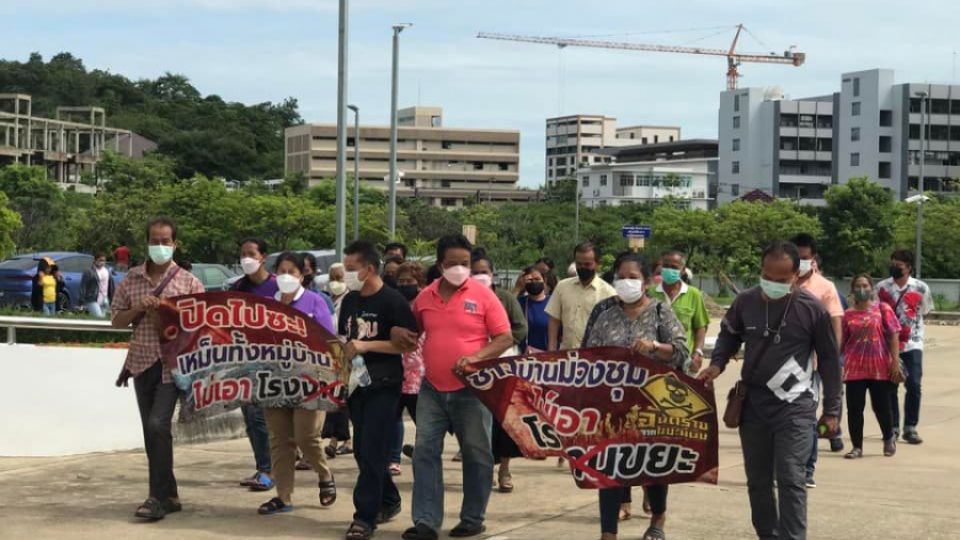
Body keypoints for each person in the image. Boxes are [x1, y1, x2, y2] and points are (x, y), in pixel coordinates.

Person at [700, 240, 841, 540]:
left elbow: (829, 361)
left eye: (781, 280)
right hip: (754, 406)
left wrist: (832, 411)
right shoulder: (746, 302)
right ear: (761, 270)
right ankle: (768, 535)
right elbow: (728, 335)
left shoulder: (811, 309)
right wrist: (718, 363)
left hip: (795, 407)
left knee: (791, 478)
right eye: (768, 276)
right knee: (758, 482)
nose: (773, 284)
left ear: (795, 277)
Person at [393, 234, 513, 540]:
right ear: (439, 265)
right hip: (431, 387)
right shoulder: (425, 297)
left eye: (465, 263)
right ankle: (426, 522)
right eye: (452, 264)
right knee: (425, 453)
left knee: (477, 453)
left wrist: (476, 356)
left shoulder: (484, 296)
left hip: (472, 389)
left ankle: (473, 518)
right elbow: (413, 331)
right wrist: (399, 333)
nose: (459, 269)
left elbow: (504, 337)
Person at [580, 252, 688, 540]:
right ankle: (608, 532)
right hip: (611, 405)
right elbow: (587, 354)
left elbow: (681, 351)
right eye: (621, 277)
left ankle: (658, 519)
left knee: (651, 467)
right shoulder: (604, 313)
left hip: (652, 405)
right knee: (609, 466)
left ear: (645, 281)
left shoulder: (660, 311)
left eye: (633, 277)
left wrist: (655, 346)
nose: (627, 282)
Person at [111, 217, 205, 520]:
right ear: (147, 242)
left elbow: (199, 327)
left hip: (173, 367)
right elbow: (116, 320)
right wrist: (139, 309)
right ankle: (170, 494)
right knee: (152, 432)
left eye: (166, 241)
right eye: (155, 240)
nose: (160, 246)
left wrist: (163, 315)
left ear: (175, 244)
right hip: (141, 362)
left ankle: (156, 498)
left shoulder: (189, 282)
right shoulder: (132, 280)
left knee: (157, 425)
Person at [339, 241, 419, 540]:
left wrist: (368, 345)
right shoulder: (350, 301)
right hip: (357, 385)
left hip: (384, 384)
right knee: (362, 450)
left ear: (368, 269)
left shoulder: (392, 301)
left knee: (372, 449)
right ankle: (388, 499)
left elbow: (408, 343)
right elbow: (345, 340)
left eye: (350, 269)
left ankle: (364, 517)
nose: (346, 275)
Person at [254, 251, 338, 515]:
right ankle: (283, 496)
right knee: (279, 440)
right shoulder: (266, 305)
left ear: (304, 275)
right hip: (274, 380)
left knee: (306, 436)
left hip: (310, 380)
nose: (287, 276)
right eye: (282, 271)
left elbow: (329, 341)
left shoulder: (315, 302)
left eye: (293, 271)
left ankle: (324, 475)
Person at [471, 249, 528, 494]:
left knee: (504, 420)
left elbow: (520, 327)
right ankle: (484, 470)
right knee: (478, 423)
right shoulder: (463, 299)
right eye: (475, 273)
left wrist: (499, 343)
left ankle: (504, 469)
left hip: (503, 365)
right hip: (474, 367)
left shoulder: (505, 298)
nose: (479, 277)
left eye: (484, 272)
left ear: (492, 275)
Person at [791, 233, 845, 487]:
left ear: (813, 259)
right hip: (780, 366)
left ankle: (808, 469)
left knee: (808, 417)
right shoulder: (779, 283)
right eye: (796, 258)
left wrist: (831, 359)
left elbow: (836, 321)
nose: (800, 263)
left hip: (811, 365)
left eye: (805, 258)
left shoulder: (825, 287)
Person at [232, 237, 278, 492]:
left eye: (251, 253)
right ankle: (265, 466)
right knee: (250, 416)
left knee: (261, 416)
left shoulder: (277, 286)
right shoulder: (239, 287)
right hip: (246, 360)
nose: (246, 258)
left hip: (275, 362)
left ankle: (268, 469)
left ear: (263, 256)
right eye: (243, 254)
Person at [841, 274, 904, 459]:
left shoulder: (883, 309)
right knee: (854, 409)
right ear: (853, 290)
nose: (862, 289)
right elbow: (842, 342)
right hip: (854, 368)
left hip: (879, 367)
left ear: (871, 288)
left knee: (882, 406)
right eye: (858, 286)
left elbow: (894, 335)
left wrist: (894, 361)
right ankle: (857, 447)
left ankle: (888, 437)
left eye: (865, 285)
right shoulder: (848, 315)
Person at [877, 249, 934, 445]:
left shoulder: (921, 288)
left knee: (914, 385)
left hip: (913, 343)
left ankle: (910, 427)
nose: (894, 267)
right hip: (888, 344)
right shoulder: (881, 287)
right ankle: (892, 427)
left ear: (908, 268)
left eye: (899, 265)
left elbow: (924, 311)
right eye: (892, 263)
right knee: (890, 386)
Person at [389, 261, 427, 475]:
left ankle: (423, 453)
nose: (405, 285)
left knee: (422, 419)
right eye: (401, 281)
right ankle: (394, 459)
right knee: (394, 417)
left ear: (419, 283)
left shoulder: (425, 305)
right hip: (396, 369)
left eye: (409, 281)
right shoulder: (394, 304)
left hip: (421, 372)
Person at [546, 242, 617, 351]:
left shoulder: (609, 293)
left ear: (598, 264)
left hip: (593, 359)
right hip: (565, 356)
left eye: (587, 264)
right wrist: (551, 350)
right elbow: (554, 321)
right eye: (579, 264)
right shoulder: (562, 286)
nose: (582, 267)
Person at [649, 250, 710, 375]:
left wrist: (698, 352)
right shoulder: (650, 293)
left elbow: (700, 327)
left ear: (683, 270)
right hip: (654, 361)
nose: (669, 270)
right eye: (666, 266)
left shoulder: (694, 295)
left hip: (684, 364)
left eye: (674, 267)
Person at [517, 266, 552, 353]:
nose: (534, 282)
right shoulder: (519, 302)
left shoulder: (554, 302)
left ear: (544, 281)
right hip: (524, 357)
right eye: (530, 280)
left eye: (537, 279)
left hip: (549, 358)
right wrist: (517, 288)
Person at [80, 252, 115, 318]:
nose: (102, 262)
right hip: (92, 298)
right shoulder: (89, 271)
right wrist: (81, 300)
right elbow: (83, 286)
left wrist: (112, 298)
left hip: (104, 299)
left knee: (102, 321)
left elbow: (111, 286)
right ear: (95, 261)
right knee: (99, 317)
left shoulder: (106, 271)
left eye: (104, 260)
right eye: (100, 260)